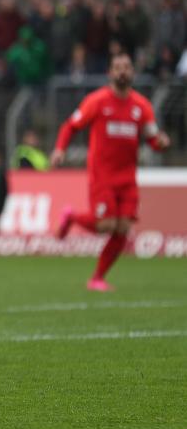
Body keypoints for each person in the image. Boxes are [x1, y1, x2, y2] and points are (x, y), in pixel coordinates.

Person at [52, 52, 170, 291]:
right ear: (110, 73)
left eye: (126, 67)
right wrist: (60, 149)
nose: (122, 71)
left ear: (133, 73)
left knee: (123, 229)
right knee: (106, 225)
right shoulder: (97, 101)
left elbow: (152, 139)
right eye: (118, 68)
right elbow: (71, 125)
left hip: (127, 177)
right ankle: (72, 217)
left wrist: (161, 142)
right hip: (102, 175)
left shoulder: (141, 107)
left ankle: (97, 278)